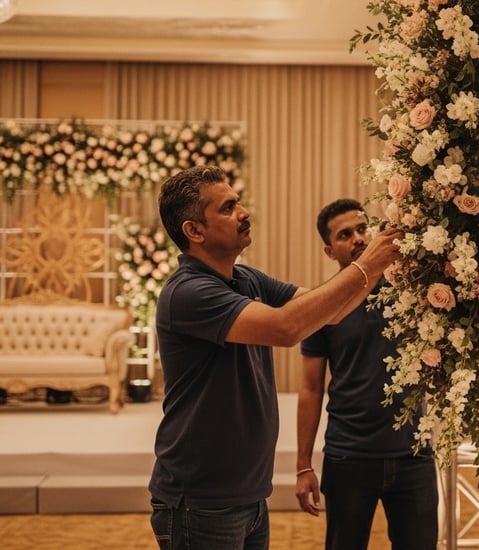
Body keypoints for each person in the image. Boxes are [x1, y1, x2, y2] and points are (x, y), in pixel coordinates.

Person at [148, 167, 402, 550]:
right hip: (200, 502)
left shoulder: (245, 278)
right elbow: (287, 328)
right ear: (194, 231)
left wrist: (378, 264)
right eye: (228, 207)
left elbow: (330, 313)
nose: (244, 212)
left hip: (248, 495)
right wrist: (368, 265)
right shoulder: (188, 292)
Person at [294, 198, 438, 550]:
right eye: (345, 234)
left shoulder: (415, 291)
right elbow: (311, 388)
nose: (358, 238)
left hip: (413, 456)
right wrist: (303, 465)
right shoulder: (323, 305)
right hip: (349, 457)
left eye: (362, 228)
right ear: (330, 250)